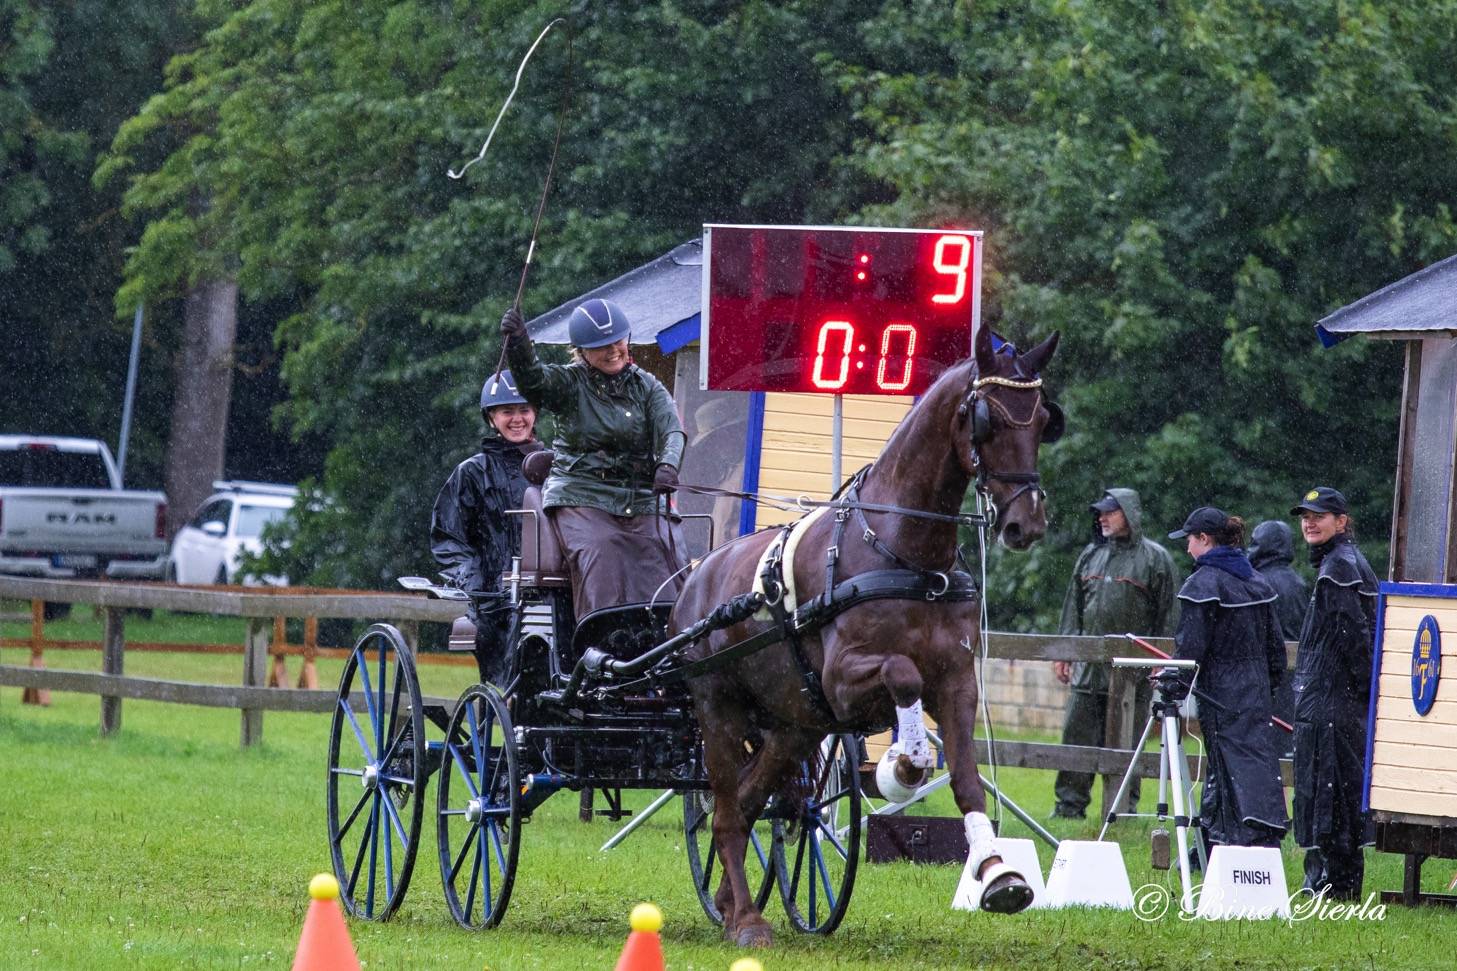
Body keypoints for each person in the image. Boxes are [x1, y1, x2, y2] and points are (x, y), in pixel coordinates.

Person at [501, 298, 688, 618]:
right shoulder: (568, 383)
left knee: (666, 555)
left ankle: (673, 631)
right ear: (582, 351)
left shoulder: (647, 387)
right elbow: (533, 381)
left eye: (618, 341)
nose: (613, 350)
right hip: (581, 494)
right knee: (603, 550)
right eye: (602, 346)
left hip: (640, 497)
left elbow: (672, 430)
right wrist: (519, 346)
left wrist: (668, 465)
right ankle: (601, 633)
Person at [1051, 488, 1180, 819]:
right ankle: (1068, 807)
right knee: (1076, 739)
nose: (1102, 518)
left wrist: (1162, 661)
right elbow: (1073, 608)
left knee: (1128, 744)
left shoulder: (1156, 559)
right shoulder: (1090, 555)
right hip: (1088, 671)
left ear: (1129, 514)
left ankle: (1124, 810)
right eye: (1100, 513)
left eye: (1110, 512)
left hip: (1133, 675)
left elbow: (1169, 616)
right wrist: (1064, 651)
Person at [1165, 507, 1289, 851]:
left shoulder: (1203, 583)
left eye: (1190, 540)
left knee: (1228, 766)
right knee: (1254, 765)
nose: (1187, 548)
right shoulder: (1256, 580)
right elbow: (1275, 650)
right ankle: (1235, 843)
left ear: (1204, 540)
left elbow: (1190, 649)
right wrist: (1266, 687)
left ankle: (1235, 843)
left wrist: (1174, 685)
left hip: (1221, 694)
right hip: (1256, 693)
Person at [1289, 486, 1377, 901]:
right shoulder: (1342, 562)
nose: (1309, 523)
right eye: (1305, 517)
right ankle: (1330, 882)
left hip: (1331, 703)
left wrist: (1361, 691)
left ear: (1341, 521)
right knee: (1332, 793)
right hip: (1332, 700)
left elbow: (1355, 638)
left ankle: (1331, 887)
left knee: (1329, 795)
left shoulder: (1339, 567)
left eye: (1319, 516)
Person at [430, 370, 543, 685]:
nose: (517, 419)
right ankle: (506, 698)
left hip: (549, 591)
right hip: (494, 598)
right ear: (492, 418)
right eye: (507, 411)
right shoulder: (471, 473)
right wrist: (478, 585)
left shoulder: (558, 469)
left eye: (524, 410)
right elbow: (448, 538)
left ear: (535, 414)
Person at [1248, 519, 1308, 747]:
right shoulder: (1297, 581)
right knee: (1285, 736)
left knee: (1265, 739)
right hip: (1293, 672)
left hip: (1266, 671)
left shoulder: (1258, 582)